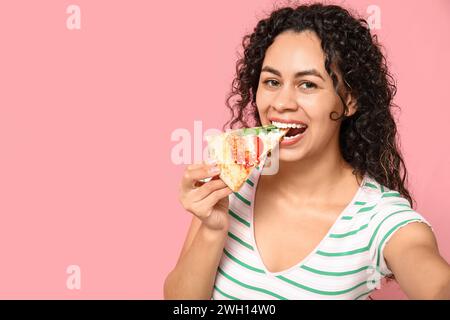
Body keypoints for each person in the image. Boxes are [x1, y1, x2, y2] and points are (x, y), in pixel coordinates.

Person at [164, 3, 450, 299]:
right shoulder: (233, 180)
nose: (283, 102)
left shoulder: (379, 219)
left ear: (349, 101)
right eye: (272, 82)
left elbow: (436, 284)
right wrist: (212, 229)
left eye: (307, 84)